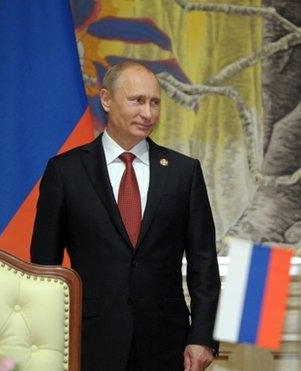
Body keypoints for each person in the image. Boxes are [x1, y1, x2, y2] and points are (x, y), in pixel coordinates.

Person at [31, 61, 220, 371]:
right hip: (90, 341)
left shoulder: (184, 173)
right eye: (137, 101)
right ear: (106, 99)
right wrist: (47, 342)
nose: (148, 113)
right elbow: (44, 269)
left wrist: (202, 337)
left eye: (155, 102)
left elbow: (203, 263)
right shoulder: (65, 172)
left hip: (167, 343)